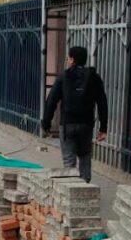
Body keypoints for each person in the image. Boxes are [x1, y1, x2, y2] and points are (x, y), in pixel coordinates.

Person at [41, 46, 108, 184]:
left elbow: (51, 101)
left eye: (68, 57)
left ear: (72, 60)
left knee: (69, 161)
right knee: (85, 157)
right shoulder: (94, 77)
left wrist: (46, 123)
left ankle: (72, 190)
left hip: (67, 125)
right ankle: (85, 188)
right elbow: (102, 102)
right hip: (86, 125)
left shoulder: (63, 77)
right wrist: (103, 128)